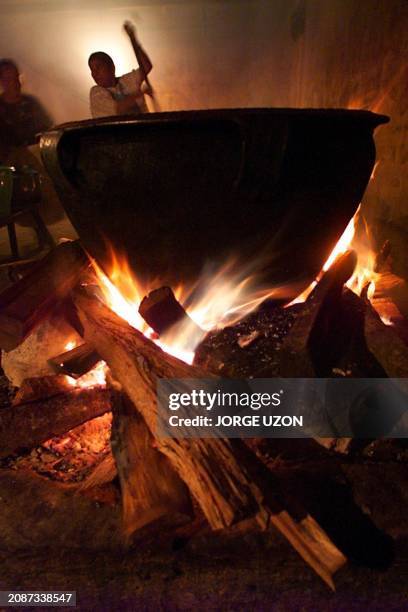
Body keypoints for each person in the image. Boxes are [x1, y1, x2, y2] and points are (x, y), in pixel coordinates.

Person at [88, 23, 153, 119]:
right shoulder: (96, 93)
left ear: (111, 67)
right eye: (92, 70)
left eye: (98, 67)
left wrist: (134, 41)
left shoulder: (127, 81)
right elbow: (119, 108)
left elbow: (146, 66)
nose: (95, 74)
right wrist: (141, 93)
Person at [0, 58, 52, 156]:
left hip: (36, 158)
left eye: (16, 77)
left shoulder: (31, 103)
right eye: (9, 79)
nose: (15, 83)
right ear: (2, 82)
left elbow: (48, 130)